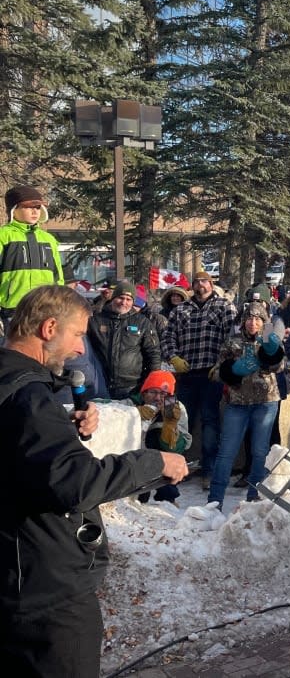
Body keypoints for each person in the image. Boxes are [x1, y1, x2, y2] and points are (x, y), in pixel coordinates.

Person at [0, 286, 188, 676]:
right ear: (49, 328)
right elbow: (76, 482)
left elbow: (20, 451)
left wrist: (58, 430)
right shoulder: (28, 399)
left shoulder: (15, 387)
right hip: (43, 595)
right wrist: (153, 463)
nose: (81, 349)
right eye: (77, 334)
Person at [160, 269, 237, 487]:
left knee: (210, 421)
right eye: (197, 282)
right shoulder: (180, 310)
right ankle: (176, 467)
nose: (201, 285)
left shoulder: (224, 306)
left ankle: (209, 470)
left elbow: (231, 339)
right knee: (181, 420)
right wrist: (173, 356)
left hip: (211, 374)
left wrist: (221, 364)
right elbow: (167, 337)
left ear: (211, 285)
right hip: (186, 374)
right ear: (192, 285)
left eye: (205, 282)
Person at [207, 302, 286, 507]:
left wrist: (271, 354)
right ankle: (215, 500)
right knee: (226, 451)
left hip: (266, 402)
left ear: (264, 322)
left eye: (258, 319)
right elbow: (216, 372)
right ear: (243, 321)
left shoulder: (269, 338)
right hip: (237, 403)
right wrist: (232, 371)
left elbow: (281, 366)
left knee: (260, 451)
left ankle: (254, 497)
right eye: (249, 318)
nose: (253, 323)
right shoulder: (232, 342)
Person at [86, 279, 161, 401]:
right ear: (113, 298)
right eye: (120, 298)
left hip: (131, 388)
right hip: (99, 385)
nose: (123, 302)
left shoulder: (142, 322)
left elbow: (153, 354)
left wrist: (151, 385)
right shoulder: (95, 321)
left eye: (128, 299)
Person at [0, 186, 64, 328]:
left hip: (45, 311)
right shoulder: (3, 236)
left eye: (38, 207)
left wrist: (60, 305)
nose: (35, 211)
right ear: (14, 209)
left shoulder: (48, 239)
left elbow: (58, 277)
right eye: (29, 207)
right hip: (12, 312)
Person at [135, 369, 192, 504]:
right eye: (153, 392)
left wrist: (170, 429)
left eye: (163, 393)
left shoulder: (176, 409)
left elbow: (183, 445)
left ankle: (167, 498)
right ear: (144, 394)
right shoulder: (132, 402)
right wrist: (133, 413)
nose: (158, 398)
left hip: (159, 458)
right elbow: (105, 406)